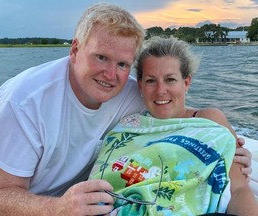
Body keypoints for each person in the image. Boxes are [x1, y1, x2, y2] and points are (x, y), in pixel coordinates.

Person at [0, 3, 251, 216]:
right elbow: (3, 193)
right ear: (75, 50)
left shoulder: (126, 91)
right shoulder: (25, 100)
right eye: (101, 57)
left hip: (71, 198)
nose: (110, 74)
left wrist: (227, 141)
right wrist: (60, 208)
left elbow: (170, 105)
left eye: (122, 64)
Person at [89, 36, 258, 215]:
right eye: (151, 81)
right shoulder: (128, 126)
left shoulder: (209, 120)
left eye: (170, 79)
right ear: (140, 85)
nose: (161, 90)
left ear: (186, 83)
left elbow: (238, 189)